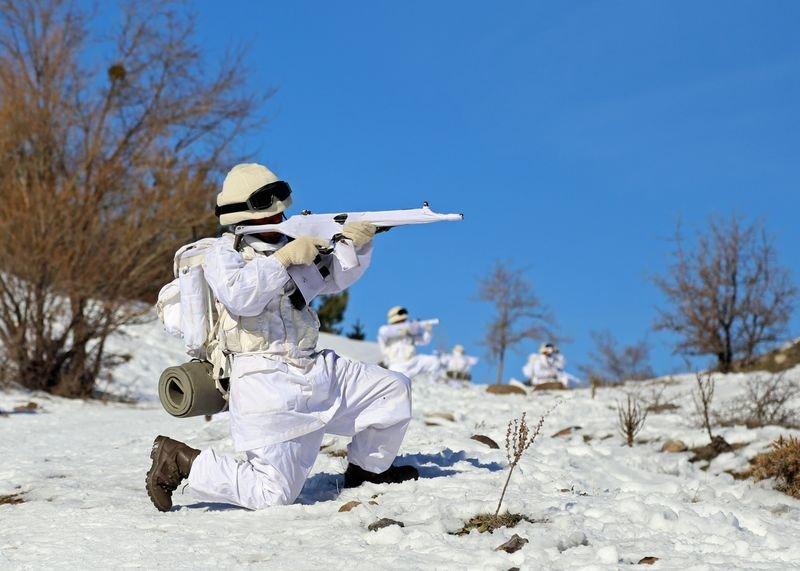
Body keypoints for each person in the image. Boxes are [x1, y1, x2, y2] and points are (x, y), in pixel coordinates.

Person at [145, 163, 418, 512]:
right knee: (271, 495)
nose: (281, 216)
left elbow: (334, 278)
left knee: (391, 391)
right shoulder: (222, 254)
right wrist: (283, 259)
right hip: (266, 382)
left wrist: (356, 245)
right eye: (271, 211)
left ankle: (367, 471)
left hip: (313, 366)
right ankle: (182, 460)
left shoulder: (291, 243)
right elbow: (240, 295)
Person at [377, 306, 443, 380]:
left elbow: (424, 341)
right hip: (397, 365)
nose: (404, 321)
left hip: (413, 362)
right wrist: (403, 330)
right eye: (402, 320)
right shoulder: (385, 330)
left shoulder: (410, 333)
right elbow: (383, 332)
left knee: (434, 361)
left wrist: (428, 331)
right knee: (400, 382)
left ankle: (433, 382)